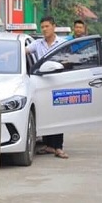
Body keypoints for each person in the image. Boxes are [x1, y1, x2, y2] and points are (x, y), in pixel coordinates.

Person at [27, 15, 69, 159]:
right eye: (42, 27)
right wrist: (7, 54)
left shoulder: (62, 43)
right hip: (42, 84)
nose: (44, 29)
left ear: (53, 27)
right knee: (45, 114)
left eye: (47, 26)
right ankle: (49, 145)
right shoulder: (37, 44)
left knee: (58, 114)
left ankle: (58, 147)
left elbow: (68, 61)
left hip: (58, 83)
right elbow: (23, 50)